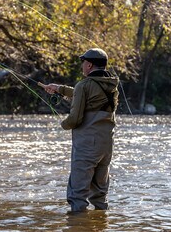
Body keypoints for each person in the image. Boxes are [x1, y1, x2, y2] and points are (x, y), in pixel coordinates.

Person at [40, 48, 119, 213]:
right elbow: (87, 94)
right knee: (100, 194)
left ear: (89, 65)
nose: (82, 66)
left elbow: (75, 119)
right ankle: (100, 230)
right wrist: (60, 89)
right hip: (106, 146)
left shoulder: (84, 85)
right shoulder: (112, 86)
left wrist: (63, 124)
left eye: (83, 63)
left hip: (87, 145)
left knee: (78, 195)